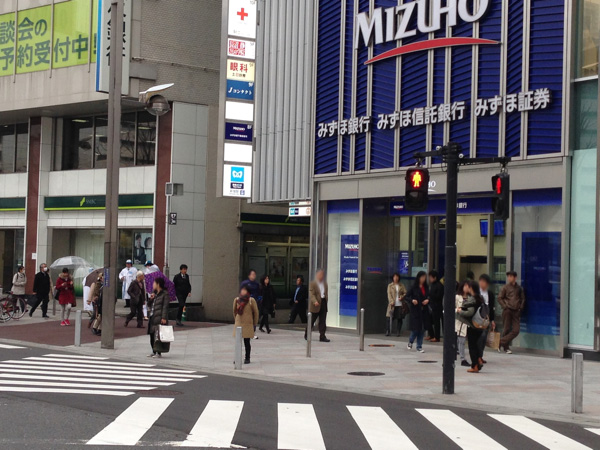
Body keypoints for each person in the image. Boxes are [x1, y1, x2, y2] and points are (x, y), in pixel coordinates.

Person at [457, 280, 485, 373]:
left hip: (473, 325)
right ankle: (479, 359)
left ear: (471, 288)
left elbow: (470, 312)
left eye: (468, 287)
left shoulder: (472, 299)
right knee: (476, 345)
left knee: (472, 346)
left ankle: (475, 366)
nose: (467, 288)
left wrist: (460, 311)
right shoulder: (480, 298)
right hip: (480, 324)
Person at [498, 270, 525, 354]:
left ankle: (500, 342)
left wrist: (520, 308)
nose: (509, 278)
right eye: (508, 276)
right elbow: (499, 298)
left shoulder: (519, 288)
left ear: (515, 277)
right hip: (508, 310)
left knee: (516, 330)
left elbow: (523, 299)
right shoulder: (505, 287)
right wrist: (505, 306)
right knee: (506, 328)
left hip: (516, 311)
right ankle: (506, 347)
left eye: (511, 276)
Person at [233, 286, 259, 364]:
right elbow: (234, 311)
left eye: (244, 290)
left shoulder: (251, 300)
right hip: (239, 323)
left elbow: (256, 312)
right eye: (242, 290)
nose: (243, 291)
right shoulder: (237, 300)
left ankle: (247, 358)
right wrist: (236, 320)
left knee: (247, 342)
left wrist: (254, 323)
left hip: (248, 324)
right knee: (238, 342)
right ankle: (237, 358)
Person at [406, 271, 430, 353]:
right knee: (416, 328)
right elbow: (406, 296)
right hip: (416, 310)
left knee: (422, 329)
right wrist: (412, 300)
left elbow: (429, 296)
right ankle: (411, 341)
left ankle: (419, 346)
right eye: (422, 277)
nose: (423, 279)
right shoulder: (414, 287)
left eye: (424, 277)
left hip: (424, 310)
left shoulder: (426, 287)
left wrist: (428, 300)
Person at [305, 269, 330, 342]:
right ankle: (307, 334)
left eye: (322, 274)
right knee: (312, 320)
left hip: (323, 302)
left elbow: (325, 293)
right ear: (317, 275)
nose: (321, 276)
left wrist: (325, 300)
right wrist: (315, 301)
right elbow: (311, 294)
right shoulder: (312, 284)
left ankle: (322, 336)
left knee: (323, 320)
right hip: (315, 304)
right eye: (320, 274)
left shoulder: (325, 283)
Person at [147, 277, 170, 358]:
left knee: (158, 335)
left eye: (154, 283)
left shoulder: (165, 294)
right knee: (151, 335)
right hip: (152, 316)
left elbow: (165, 306)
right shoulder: (155, 293)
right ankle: (154, 351)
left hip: (159, 317)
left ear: (158, 284)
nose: (153, 284)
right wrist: (151, 299)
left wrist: (163, 317)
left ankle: (158, 352)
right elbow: (149, 305)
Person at [478, 274, 496, 363]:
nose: (482, 284)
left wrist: (492, 320)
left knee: (484, 337)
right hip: (477, 318)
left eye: (484, 282)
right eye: (481, 281)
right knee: (478, 338)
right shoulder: (476, 292)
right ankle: (477, 356)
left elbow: (492, 308)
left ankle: (480, 356)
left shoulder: (490, 294)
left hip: (486, 318)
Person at [455, 281, 470, 367]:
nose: (467, 288)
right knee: (462, 340)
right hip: (460, 321)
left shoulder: (471, 297)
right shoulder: (457, 297)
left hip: (470, 322)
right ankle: (462, 358)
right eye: (466, 286)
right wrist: (457, 310)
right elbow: (452, 308)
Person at [428, 270, 444, 342]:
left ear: (435, 277)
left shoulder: (439, 285)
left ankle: (437, 337)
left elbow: (439, 296)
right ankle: (431, 335)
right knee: (429, 321)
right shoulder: (432, 285)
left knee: (436, 322)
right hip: (431, 305)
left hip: (437, 306)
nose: (430, 279)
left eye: (431, 277)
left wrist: (430, 295)